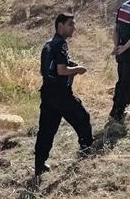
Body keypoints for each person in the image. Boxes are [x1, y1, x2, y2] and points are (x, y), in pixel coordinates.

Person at [34, 13, 94, 177]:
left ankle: (39, 165)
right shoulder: (61, 44)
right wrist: (78, 69)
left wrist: (69, 66)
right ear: (60, 26)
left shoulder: (48, 45)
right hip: (60, 93)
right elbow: (61, 70)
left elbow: (46, 69)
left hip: (47, 92)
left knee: (46, 130)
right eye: (70, 24)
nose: (74, 27)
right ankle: (87, 149)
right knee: (82, 117)